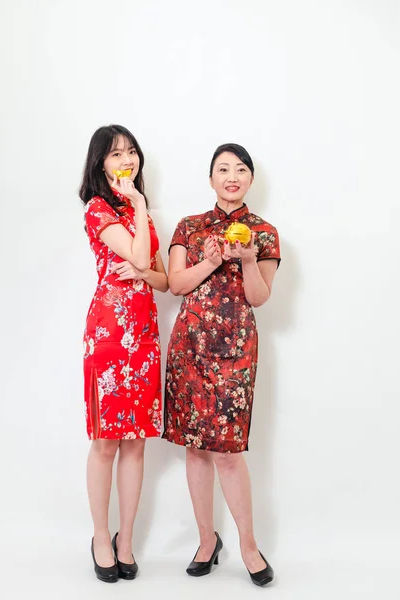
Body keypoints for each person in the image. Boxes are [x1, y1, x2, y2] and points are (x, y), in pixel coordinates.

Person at [163, 143, 280, 586]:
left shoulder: (263, 232)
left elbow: (259, 297)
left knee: (228, 453)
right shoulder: (190, 227)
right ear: (210, 178)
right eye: (223, 169)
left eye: (241, 169)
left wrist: (248, 260)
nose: (232, 176)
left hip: (235, 351)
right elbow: (175, 284)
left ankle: (248, 547)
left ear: (251, 179)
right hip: (190, 348)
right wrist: (211, 260)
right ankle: (207, 541)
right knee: (195, 447)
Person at [79, 124, 168, 583]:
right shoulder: (98, 209)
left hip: (145, 333)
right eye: (116, 154)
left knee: (136, 442)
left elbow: (162, 278)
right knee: (105, 442)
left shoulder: (143, 212)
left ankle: (126, 540)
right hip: (111, 334)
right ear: (100, 164)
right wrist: (136, 208)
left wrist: (143, 269)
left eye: (131, 152)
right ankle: (100, 536)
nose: (126, 160)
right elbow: (136, 253)